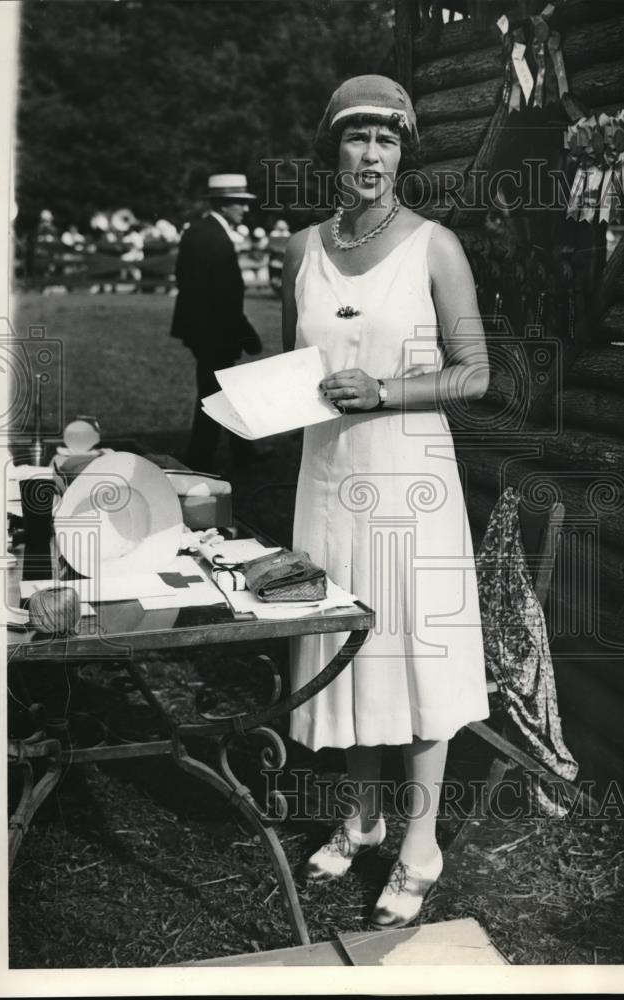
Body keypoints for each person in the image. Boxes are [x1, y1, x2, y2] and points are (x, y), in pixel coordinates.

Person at [281, 76, 491, 929]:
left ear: (406, 152)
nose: (372, 157)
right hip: (327, 475)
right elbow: (295, 368)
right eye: (357, 140)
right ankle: (361, 815)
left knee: (414, 651)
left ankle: (420, 843)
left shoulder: (435, 246)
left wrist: (388, 391)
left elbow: (476, 374)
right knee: (346, 643)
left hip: (409, 477)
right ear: (333, 150)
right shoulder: (299, 248)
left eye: (388, 141)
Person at [170, 173, 264, 472]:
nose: (244, 210)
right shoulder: (212, 237)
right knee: (214, 394)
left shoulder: (202, 232)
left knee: (220, 390)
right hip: (214, 330)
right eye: (239, 203)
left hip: (205, 328)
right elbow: (222, 295)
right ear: (224, 205)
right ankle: (201, 458)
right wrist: (246, 333)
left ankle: (240, 452)